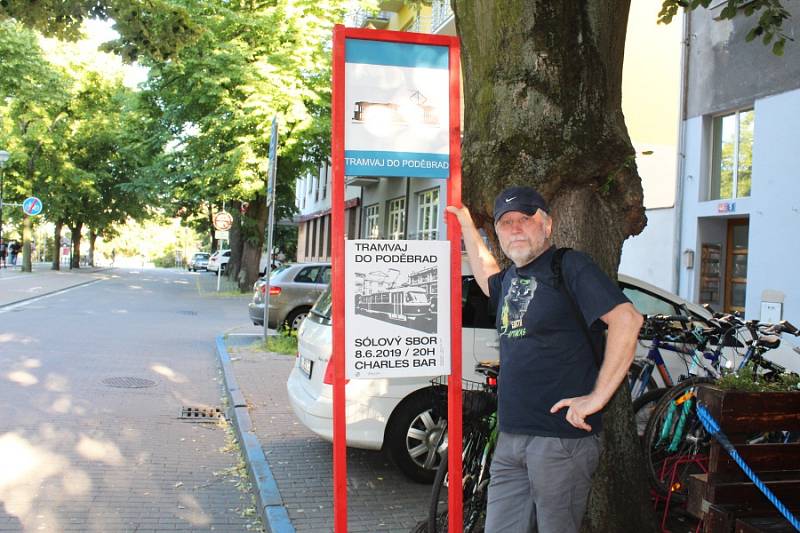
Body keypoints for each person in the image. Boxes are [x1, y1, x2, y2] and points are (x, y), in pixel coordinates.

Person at [446, 186, 643, 533]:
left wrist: (597, 399)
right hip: (510, 435)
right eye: (506, 222)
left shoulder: (569, 265)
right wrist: (466, 224)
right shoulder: (510, 279)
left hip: (560, 441)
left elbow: (627, 320)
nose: (516, 228)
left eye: (526, 218)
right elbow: (486, 274)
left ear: (547, 225)